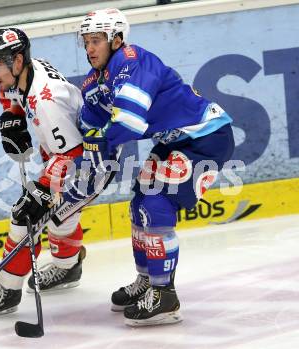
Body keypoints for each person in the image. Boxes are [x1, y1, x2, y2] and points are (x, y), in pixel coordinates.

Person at [14, 8, 235, 327]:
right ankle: (147, 282)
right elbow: (88, 136)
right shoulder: (94, 82)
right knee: (139, 206)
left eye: (96, 41)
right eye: (86, 42)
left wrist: (97, 143)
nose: (89, 49)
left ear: (116, 39)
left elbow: (129, 123)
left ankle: (165, 296)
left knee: (157, 203)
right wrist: (69, 190)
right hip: (175, 142)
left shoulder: (135, 62)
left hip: (206, 138)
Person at [0, 27, 87, 318]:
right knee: (60, 218)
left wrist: (45, 188)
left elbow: (73, 155)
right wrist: (12, 115)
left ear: (17, 61)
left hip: (89, 163)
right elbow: (10, 94)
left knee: (25, 215)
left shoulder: (45, 102)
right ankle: (68, 266)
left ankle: (8, 291)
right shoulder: (24, 72)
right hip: (68, 154)